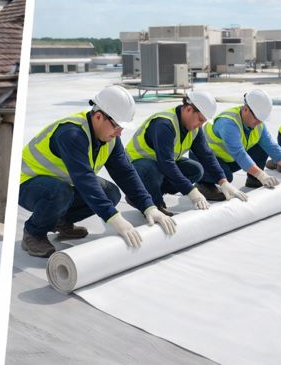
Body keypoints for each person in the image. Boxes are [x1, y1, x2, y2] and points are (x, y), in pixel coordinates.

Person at [19, 85, 176, 258]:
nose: (119, 132)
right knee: (59, 191)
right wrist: (114, 218)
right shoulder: (71, 133)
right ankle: (33, 233)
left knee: (110, 193)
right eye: (117, 126)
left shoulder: (110, 139)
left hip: (60, 184)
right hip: (27, 183)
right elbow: (84, 179)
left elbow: (126, 173)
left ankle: (61, 222)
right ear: (99, 116)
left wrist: (149, 206)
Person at [127, 90, 244, 212]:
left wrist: (223, 181)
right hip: (135, 167)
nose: (200, 125)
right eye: (200, 119)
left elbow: (206, 155)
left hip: (159, 164)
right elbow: (166, 163)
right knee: (151, 170)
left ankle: (148, 195)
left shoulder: (194, 128)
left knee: (195, 170)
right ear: (188, 109)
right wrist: (190, 191)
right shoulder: (164, 124)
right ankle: (152, 204)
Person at [198, 89, 281, 200]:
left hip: (227, 159)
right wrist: (261, 175)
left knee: (261, 146)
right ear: (246, 109)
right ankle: (204, 184)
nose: (259, 122)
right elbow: (239, 153)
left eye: (261, 119)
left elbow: (271, 146)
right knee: (226, 176)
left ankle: (253, 179)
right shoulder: (228, 123)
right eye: (257, 118)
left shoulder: (258, 124)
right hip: (205, 158)